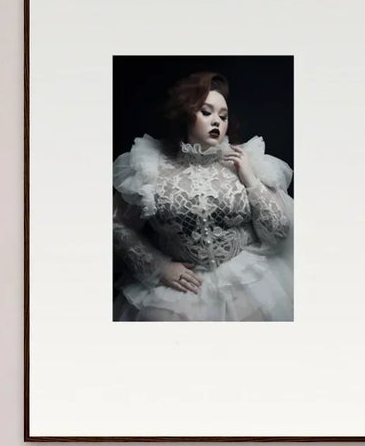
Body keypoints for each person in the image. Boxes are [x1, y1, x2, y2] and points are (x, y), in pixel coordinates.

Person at [112, 70, 293, 321]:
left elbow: (278, 232)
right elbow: (115, 223)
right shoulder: (149, 167)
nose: (217, 121)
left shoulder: (245, 159)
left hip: (248, 282)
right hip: (178, 295)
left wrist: (250, 177)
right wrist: (158, 267)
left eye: (223, 116)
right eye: (206, 112)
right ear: (185, 114)